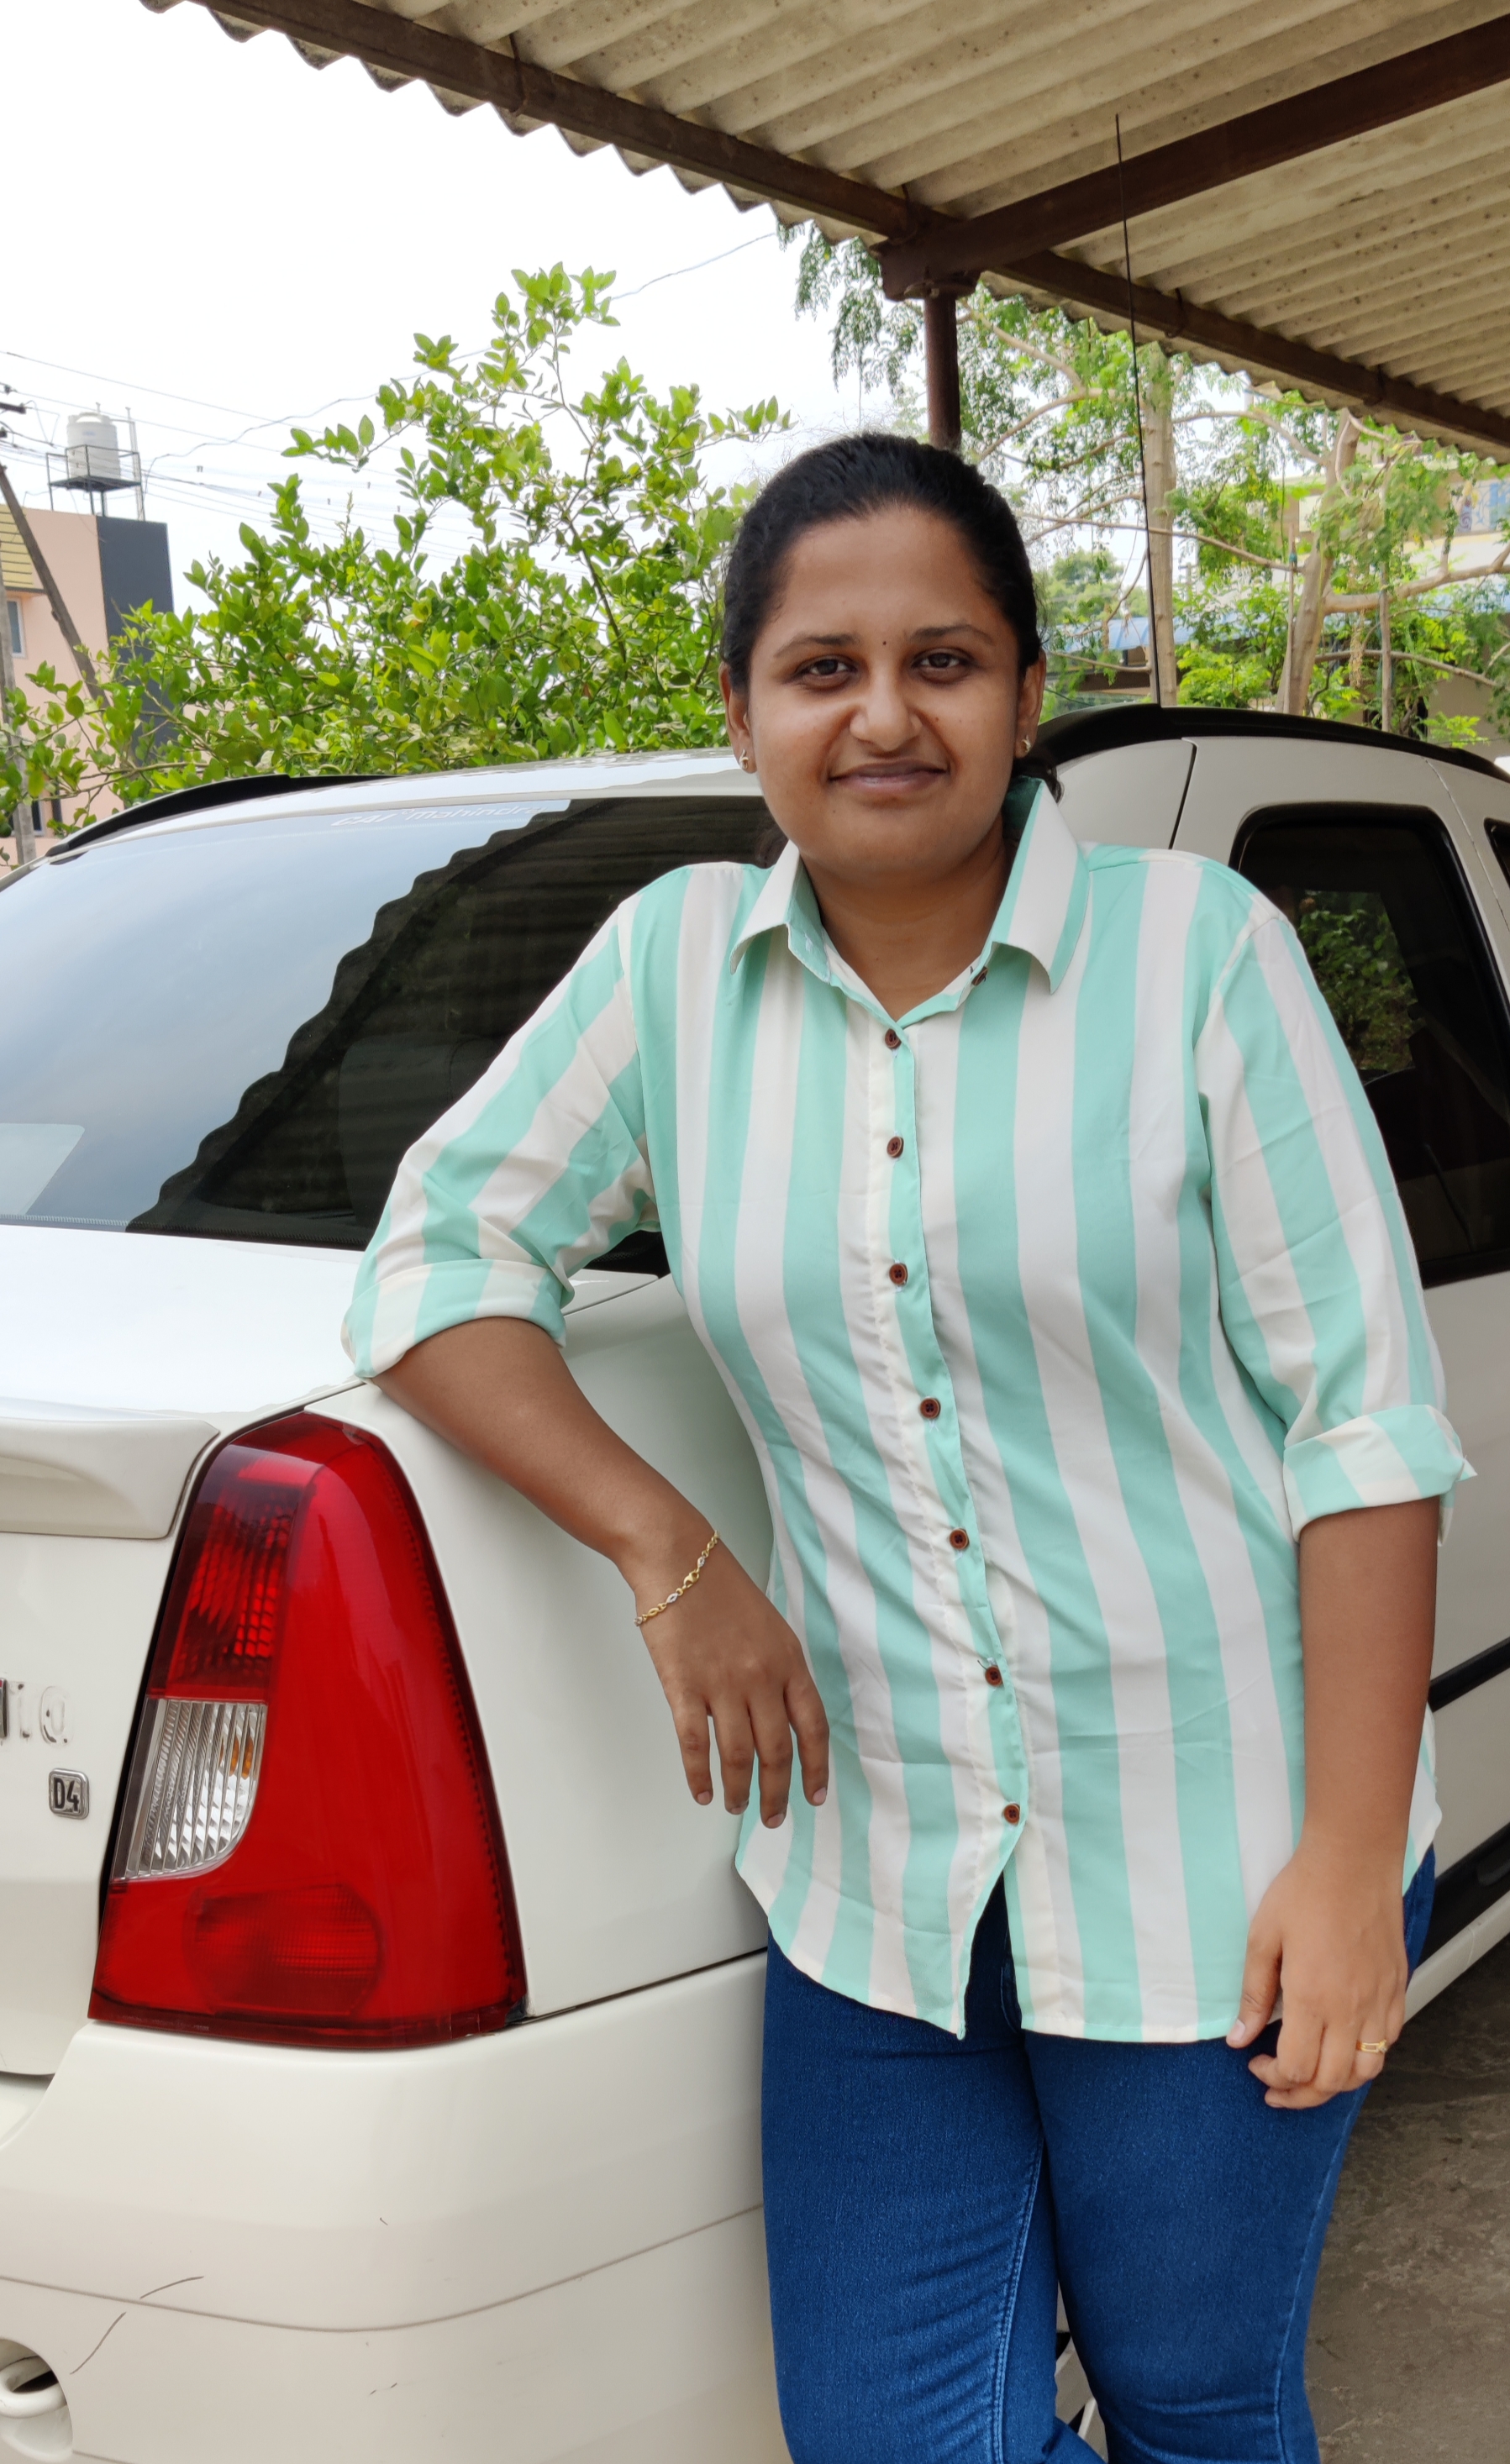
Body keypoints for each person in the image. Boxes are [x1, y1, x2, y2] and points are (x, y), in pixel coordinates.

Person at [343, 434, 1465, 2462]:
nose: (880, 715)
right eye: (820, 668)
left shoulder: (1196, 956)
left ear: (1024, 696)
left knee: (1194, 2408)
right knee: (888, 2435)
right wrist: (667, 1551)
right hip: (879, 1883)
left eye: (941, 660)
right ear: (741, 713)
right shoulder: (671, 973)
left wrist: (1343, 1863)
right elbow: (433, 1267)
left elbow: (1361, 1424)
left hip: (1212, 1866)